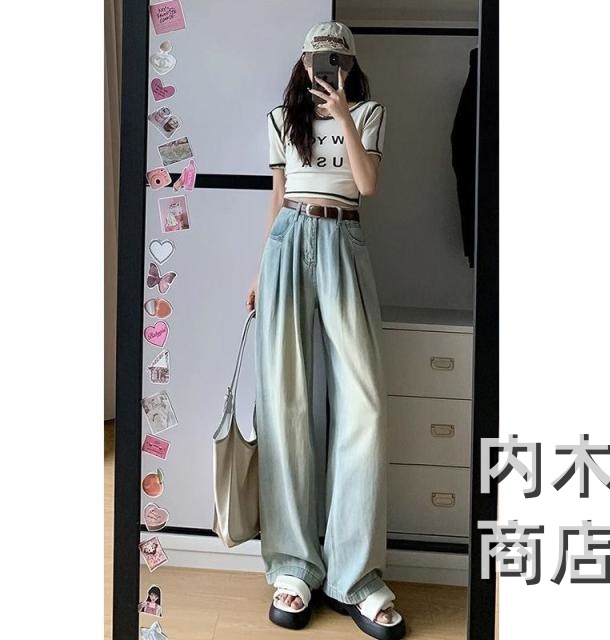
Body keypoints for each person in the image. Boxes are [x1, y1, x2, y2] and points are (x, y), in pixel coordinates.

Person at [246, 21, 406, 640]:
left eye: (337, 59)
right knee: (285, 402)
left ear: (350, 65)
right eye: (318, 59)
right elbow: (277, 195)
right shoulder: (280, 119)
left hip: (343, 240)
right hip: (287, 243)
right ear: (303, 61)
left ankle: (356, 576)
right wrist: (259, 269)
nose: (326, 68)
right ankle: (293, 566)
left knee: (364, 406)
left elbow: (367, 185)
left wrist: (342, 115)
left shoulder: (368, 113)